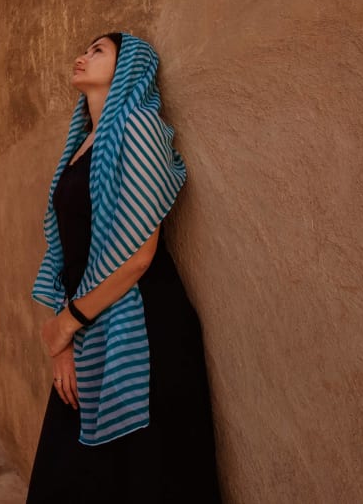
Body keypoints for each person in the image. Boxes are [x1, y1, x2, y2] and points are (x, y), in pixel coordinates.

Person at [27, 33, 222, 503]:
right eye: (85, 49)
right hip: (90, 324)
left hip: (143, 330)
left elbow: (139, 255)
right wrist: (62, 343)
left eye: (98, 51)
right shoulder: (80, 145)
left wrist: (67, 325)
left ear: (129, 66)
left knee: (146, 479)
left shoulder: (139, 128)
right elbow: (67, 250)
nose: (83, 55)